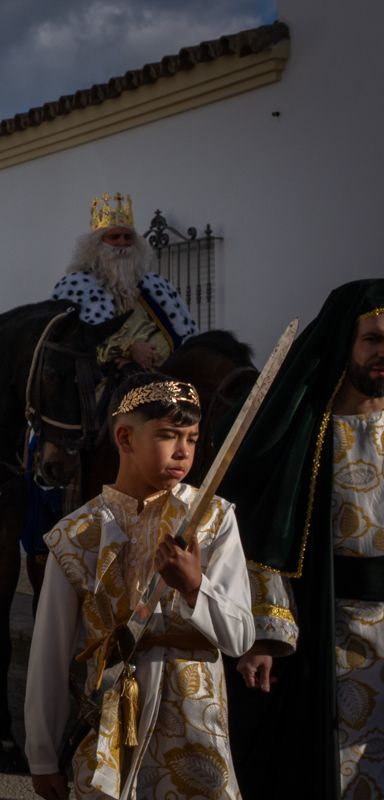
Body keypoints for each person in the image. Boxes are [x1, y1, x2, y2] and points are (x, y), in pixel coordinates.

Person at [25, 373, 254, 800]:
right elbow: (49, 655)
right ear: (126, 438)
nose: (184, 451)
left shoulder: (215, 519)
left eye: (191, 437)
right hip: (111, 725)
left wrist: (193, 586)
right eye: (168, 436)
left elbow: (239, 637)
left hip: (197, 734)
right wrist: (41, 756)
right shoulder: (76, 535)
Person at [221, 279, 384, 800]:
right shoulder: (306, 431)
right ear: (344, 343)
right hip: (326, 626)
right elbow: (268, 537)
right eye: (373, 340)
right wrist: (267, 635)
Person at [52, 193, 197, 369]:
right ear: (96, 245)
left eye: (128, 237)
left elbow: (182, 335)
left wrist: (152, 353)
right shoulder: (76, 285)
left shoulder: (156, 285)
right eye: (114, 237)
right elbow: (68, 343)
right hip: (102, 380)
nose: (122, 243)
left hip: (163, 372)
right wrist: (128, 350)